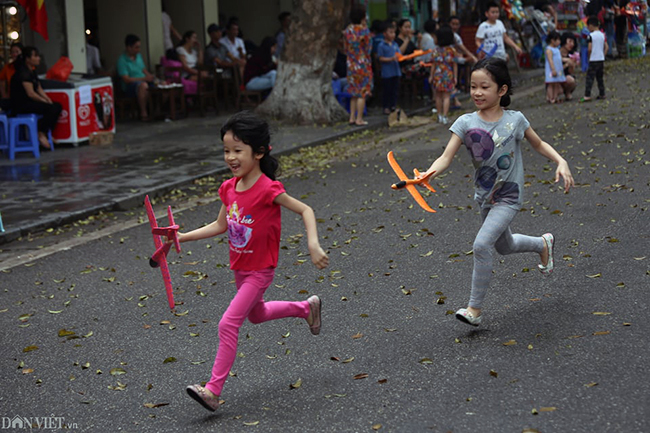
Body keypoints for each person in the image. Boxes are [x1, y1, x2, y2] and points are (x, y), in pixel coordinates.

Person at [180, 111, 329, 412]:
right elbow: (220, 225)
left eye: (238, 150)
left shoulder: (268, 189)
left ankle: (213, 390)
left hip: (260, 270)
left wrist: (312, 244)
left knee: (228, 323)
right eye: (226, 151)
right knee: (256, 314)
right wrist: (181, 237)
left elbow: (306, 210)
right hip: (240, 267)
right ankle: (306, 308)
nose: (231, 157)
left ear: (259, 152)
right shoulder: (229, 188)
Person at [415, 57, 574, 327]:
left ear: (501, 90)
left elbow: (538, 143)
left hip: (509, 197)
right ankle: (542, 244)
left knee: (481, 244)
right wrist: (429, 172)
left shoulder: (515, 121)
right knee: (505, 246)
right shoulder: (464, 123)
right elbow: (445, 157)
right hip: (485, 197)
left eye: (484, 87)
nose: (476, 92)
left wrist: (561, 161)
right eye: (473, 86)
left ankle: (474, 310)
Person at [10, 46, 63, 149]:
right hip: (22, 104)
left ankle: (45, 131)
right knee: (49, 108)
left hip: (31, 102)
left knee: (56, 106)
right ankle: (40, 132)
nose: (38, 59)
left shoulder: (32, 72)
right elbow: (31, 93)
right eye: (36, 56)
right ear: (28, 59)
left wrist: (48, 100)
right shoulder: (23, 73)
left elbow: (38, 88)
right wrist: (44, 101)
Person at [343, 6, 373, 126]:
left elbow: (345, 48)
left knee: (353, 92)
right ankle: (359, 118)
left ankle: (352, 117)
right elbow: (368, 48)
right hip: (362, 63)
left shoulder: (347, 31)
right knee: (362, 92)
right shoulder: (364, 31)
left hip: (351, 63)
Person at [116, 34, 155, 121]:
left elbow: (143, 69)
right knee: (143, 86)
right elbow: (126, 79)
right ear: (129, 47)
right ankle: (143, 112)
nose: (138, 50)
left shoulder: (139, 56)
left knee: (161, 84)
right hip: (131, 86)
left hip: (143, 80)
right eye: (136, 47)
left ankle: (157, 111)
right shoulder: (122, 60)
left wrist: (150, 76)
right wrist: (144, 79)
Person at [429, 26, 458, 124]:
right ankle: (445, 116)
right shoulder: (452, 51)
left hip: (438, 75)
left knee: (438, 96)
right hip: (448, 75)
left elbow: (433, 64)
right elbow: (454, 65)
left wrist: (431, 76)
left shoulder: (436, 51)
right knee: (446, 97)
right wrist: (455, 77)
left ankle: (439, 115)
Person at [581, 16, 608, 102]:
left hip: (593, 59)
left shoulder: (591, 36)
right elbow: (606, 47)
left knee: (590, 78)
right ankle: (602, 93)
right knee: (600, 77)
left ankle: (587, 95)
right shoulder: (602, 35)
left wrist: (589, 56)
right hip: (600, 59)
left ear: (591, 25)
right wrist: (603, 55)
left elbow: (589, 48)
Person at [377, 22, 401, 114]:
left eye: (394, 32)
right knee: (387, 90)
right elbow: (380, 58)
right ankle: (386, 106)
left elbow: (399, 55)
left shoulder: (395, 44)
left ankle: (393, 106)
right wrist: (391, 59)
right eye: (390, 32)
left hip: (396, 71)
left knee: (395, 90)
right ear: (384, 34)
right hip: (387, 72)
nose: (393, 34)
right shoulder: (381, 45)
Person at [544, 31, 566, 104]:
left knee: (556, 83)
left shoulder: (557, 49)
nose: (559, 42)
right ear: (553, 40)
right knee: (551, 84)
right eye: (558, 40)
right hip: (552, 69)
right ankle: (551, 97)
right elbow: (550, 60)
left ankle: (555, 97)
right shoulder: (549, 49)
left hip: (558, 69)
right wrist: (553, 69)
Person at [0, 42, 23, 110]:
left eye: (17, 52)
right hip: (12, 98)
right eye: (12, 52)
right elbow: (2, 82)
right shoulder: (7, 68)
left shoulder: (27, 67)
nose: (15, 54)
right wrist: (5, 95)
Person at [559, 32, 578, 100]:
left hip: (566, 77)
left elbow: (571, 72)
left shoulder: (572, 55)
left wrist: (572, 65)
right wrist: (566, 63)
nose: (572, 44)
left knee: (571, 80)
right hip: (555, 77)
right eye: (570, 41)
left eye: (573, 42)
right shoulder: (557, 53)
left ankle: (567, 92)